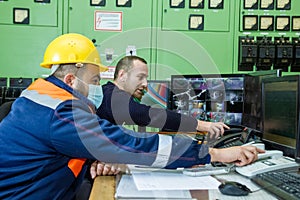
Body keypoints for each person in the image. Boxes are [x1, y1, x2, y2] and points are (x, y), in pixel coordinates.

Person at [0, 33, 263, 199]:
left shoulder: (38, 95)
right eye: (93, 79)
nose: (96, 87)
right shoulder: (60, 111)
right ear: (71, 79)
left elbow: (65, 144)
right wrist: (212, 154)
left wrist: (97, 156)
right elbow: (129, 142)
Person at [97, 55, 228, 137]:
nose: (145, 84)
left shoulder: (109, 93)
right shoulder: (112, 96)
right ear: (122, 75)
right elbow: (146, 114)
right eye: (140, 77)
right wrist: (202, 125)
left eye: (146, 78)